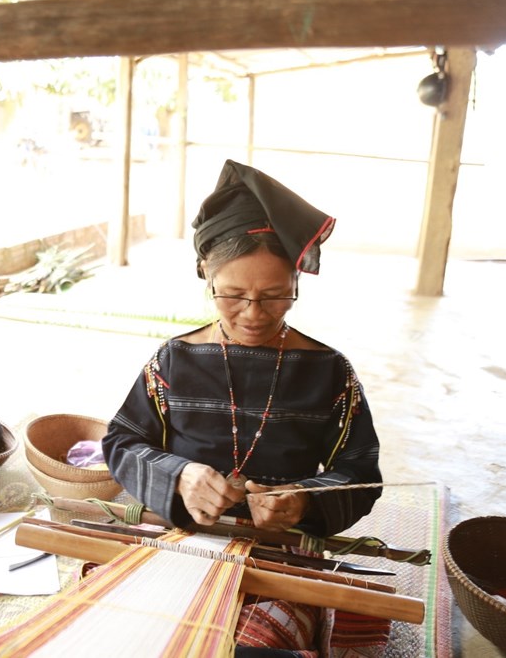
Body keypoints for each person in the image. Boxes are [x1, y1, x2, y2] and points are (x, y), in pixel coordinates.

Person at [102, 160, 384, 655]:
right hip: (182, 541)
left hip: (282, 556)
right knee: (138, 632)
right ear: (205, 275)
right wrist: (180, 477)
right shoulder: (174, 360)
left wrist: (305, 499)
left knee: (252, 646)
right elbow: (122, 443)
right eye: (232, 295)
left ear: (297, 280)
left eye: (275, 296)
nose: (253, 314)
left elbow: (360, 470)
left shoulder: (329, 372)